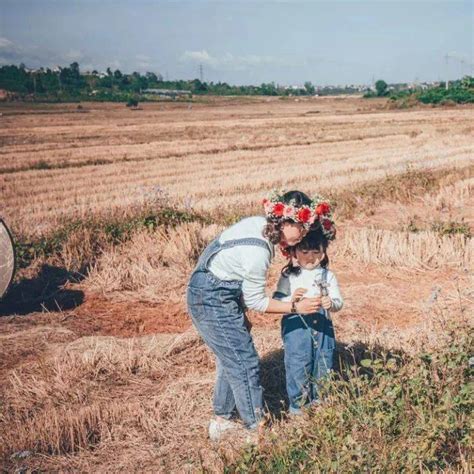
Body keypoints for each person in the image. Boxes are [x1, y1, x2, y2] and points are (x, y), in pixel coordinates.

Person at [186, 190, 334, 441]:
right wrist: (296, 308)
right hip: (210, 297)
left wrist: (234, 304)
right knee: (245, 361)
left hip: (216, 290)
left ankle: (222, 419)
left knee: (231, 356)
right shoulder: (259, 251)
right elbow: (256, 301)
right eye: (304, 228)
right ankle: (256, 430)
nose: (305, 235)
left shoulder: (258, 225)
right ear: (286, 223)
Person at [274, 225, 343, 415]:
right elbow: (277, 300)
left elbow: (339, 302)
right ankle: (299, 408)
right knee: (298, 364)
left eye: (316, 251)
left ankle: (321, 404)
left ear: (323, 253)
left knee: (323, 361)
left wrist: (331, 303)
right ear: (294, 252)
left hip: (323, 326)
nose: (310, 256)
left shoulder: (328, 275)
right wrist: (292, 299)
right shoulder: (288, 276)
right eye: (304, 251)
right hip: (296, 325)